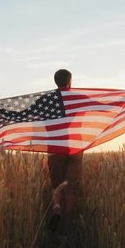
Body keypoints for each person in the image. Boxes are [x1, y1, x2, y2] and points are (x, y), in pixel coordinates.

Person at [47, 69, 83, 232]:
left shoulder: (47, 99)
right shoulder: (77, 98)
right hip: (75, 146)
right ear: (70, 82)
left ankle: (56, 207)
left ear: (56, 82)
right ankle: (66, 228)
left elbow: (25, 113)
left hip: (55, 147)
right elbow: (102, 105)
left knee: (57, 185)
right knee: (70, 188)